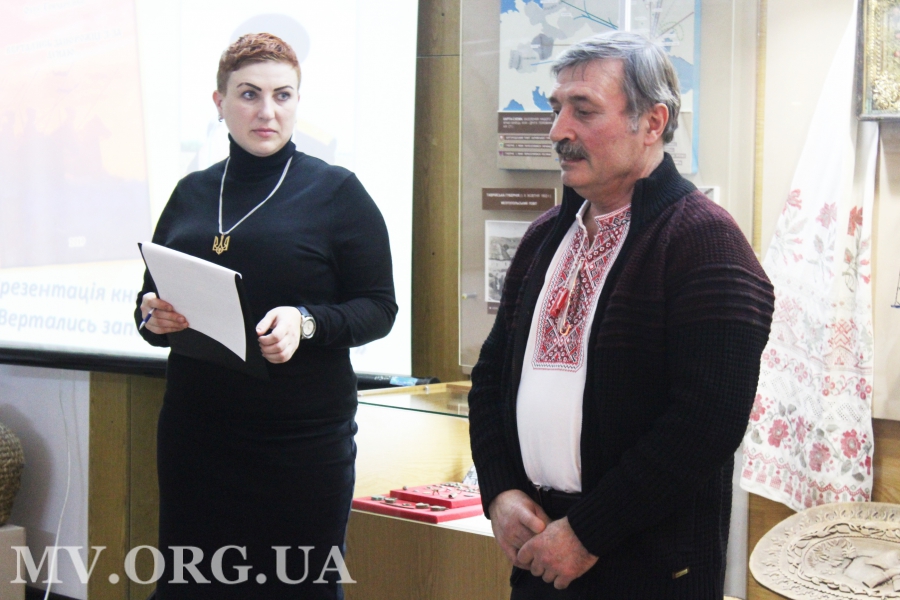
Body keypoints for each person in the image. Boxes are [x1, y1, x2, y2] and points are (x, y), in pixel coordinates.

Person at [468, 31, 775, 599]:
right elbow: (489, 378)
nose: (559, 131)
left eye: (583, 110)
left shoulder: (706, 242)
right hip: (539, 548)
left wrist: (588, 532)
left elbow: (706, 424)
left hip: (648, 566)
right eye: (557, 108)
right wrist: (501, 491)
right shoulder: (543, 238)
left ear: (652, 122)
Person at [134, 33, 396, 599]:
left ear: (298, 101)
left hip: (299, 444)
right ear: (220, 102)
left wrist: (307, 322)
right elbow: (149, 301)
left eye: (283, 95)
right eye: (249, 94)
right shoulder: (190, 193)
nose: (267, 111)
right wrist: (153, 317)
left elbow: (379, 308)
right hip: (196, 435)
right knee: (190, 587)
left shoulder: (337, 192)